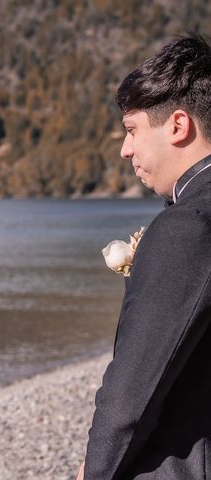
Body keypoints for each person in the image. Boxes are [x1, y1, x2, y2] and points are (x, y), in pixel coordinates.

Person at [78, 34, 211, 479]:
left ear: (177, 125)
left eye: (132, 130)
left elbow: (131, 393)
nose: (125, 149)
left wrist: (94, 472)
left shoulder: (186, 227)